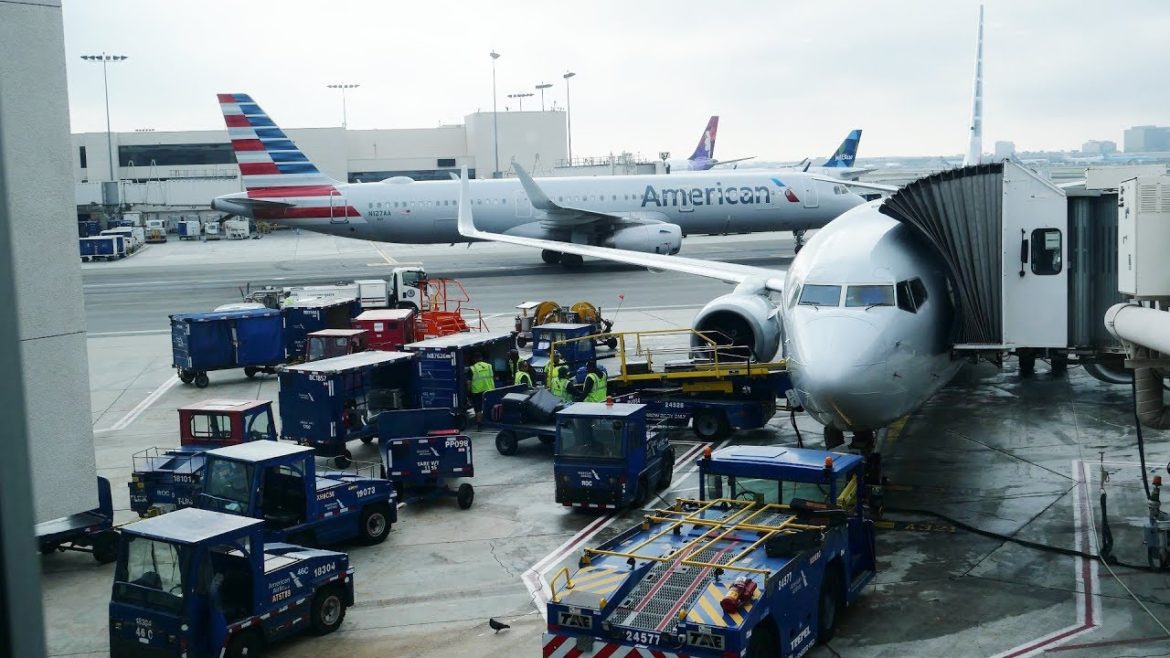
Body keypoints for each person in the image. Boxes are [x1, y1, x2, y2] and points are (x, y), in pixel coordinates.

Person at [468, 352, 495, 427]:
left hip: (477, 391)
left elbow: (469, 382)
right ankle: (490, 422)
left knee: (478, 408)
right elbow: (492, 377)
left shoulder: (472, 368)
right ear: (482, 358)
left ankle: (479, 424)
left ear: (474, 359)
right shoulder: (489, 366)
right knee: (489, 406)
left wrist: (468, 392)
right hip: (489, 390)